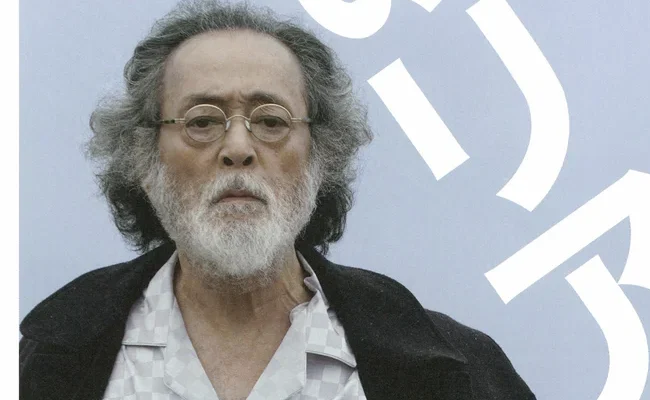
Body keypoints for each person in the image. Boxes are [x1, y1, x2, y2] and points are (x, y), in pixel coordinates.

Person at [19, 1, 535, 399]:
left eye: (271, 121)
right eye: (201, 121)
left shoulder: (457, 367)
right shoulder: (42, 360)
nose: (238, 148)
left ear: (320, 157)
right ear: (144, 159)